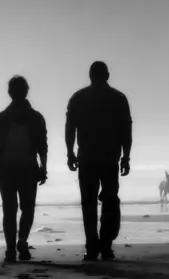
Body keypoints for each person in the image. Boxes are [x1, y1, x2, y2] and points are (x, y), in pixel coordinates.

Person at [65, 61, 133, 261]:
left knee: (89, 204)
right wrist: (126, 156)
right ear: (108, 75)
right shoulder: (118, 98)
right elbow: (126, 131)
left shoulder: (78, 98)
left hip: (87, 158)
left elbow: (70, 128)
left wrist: (70, 153)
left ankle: (92, 246)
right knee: (110, 201)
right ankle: (105, 245)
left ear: (90, 75)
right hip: (109, 158)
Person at [0, 75, 48, 263]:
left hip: (5, 168)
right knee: (27, 208)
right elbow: (42, 146)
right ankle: (22, 241)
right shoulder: (36, 118)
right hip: (28, 167)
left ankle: (10, 250)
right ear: (27, 91)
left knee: (9, 210)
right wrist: (44, 167)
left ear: (9, 93)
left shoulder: (1, 118)